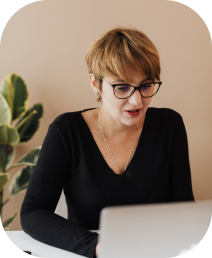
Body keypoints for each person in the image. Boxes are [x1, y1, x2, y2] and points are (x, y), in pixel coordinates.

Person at [20, 26, 195, 258]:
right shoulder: (67, 131)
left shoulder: (169, 125)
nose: (137, 101)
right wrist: (98, 245)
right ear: (95, 84)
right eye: (122, 87)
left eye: (146, 86)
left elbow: (183, 210)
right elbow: (33, 212)